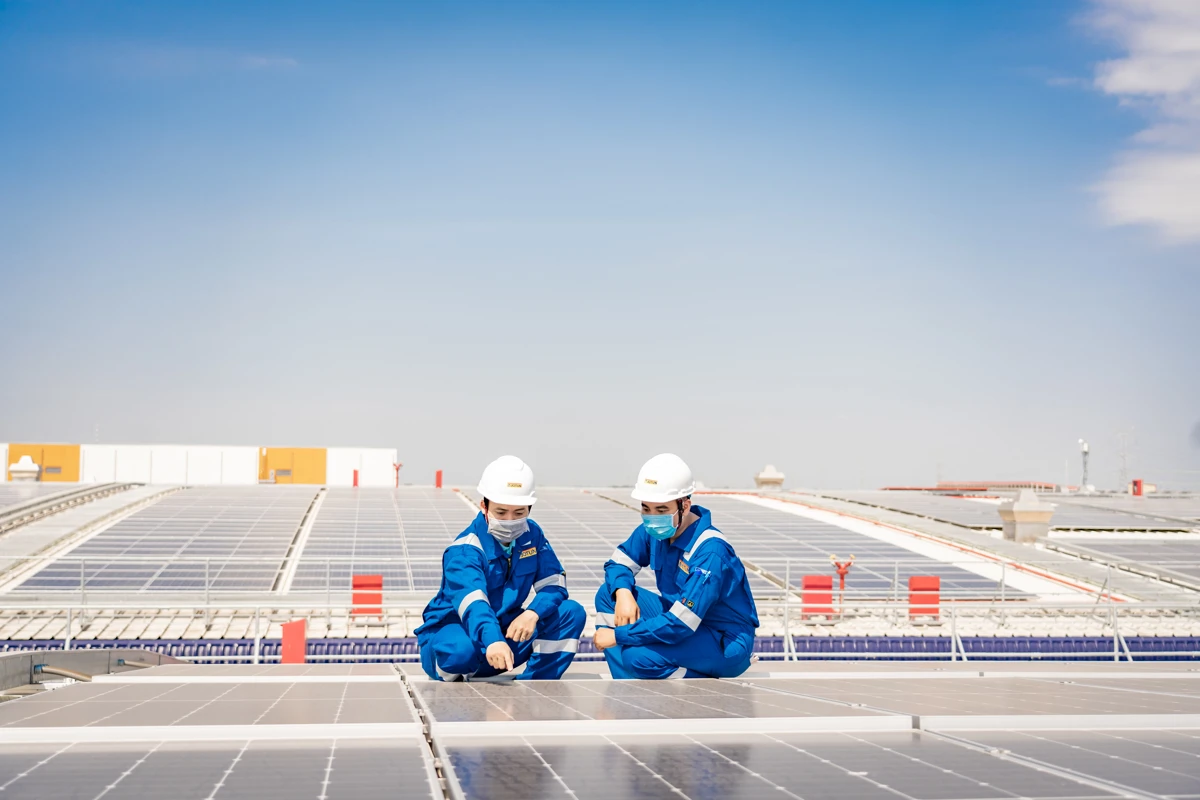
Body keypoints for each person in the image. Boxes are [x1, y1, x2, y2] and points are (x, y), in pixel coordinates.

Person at [416, 456, 585, 681]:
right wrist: (493, 640)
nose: (510, 520)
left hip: (503, 635)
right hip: (456, 633)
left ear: (529, 509)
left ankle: (535, 685)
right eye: (501, 512)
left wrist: (533, 614)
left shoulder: (531, 535)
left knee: (570, 612)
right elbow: (474, 605)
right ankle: (454, 676)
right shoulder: (465, 551)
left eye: (519, 513)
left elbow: (554, 583)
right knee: (460, 651)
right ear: (484, 505)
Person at [592, 453, 759, 679]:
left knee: (638, 657)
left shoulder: (710, 552)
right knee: (607, 595)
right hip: (681, 622)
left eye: (661, 510)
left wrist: (619, 636)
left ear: (685, 505)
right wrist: (622, 593)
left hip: (723, 641)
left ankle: (698, 686)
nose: (651, 517)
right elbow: (618, 563)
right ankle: (626, 681)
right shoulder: (655, 531)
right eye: (646, 508)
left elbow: (681, 622)